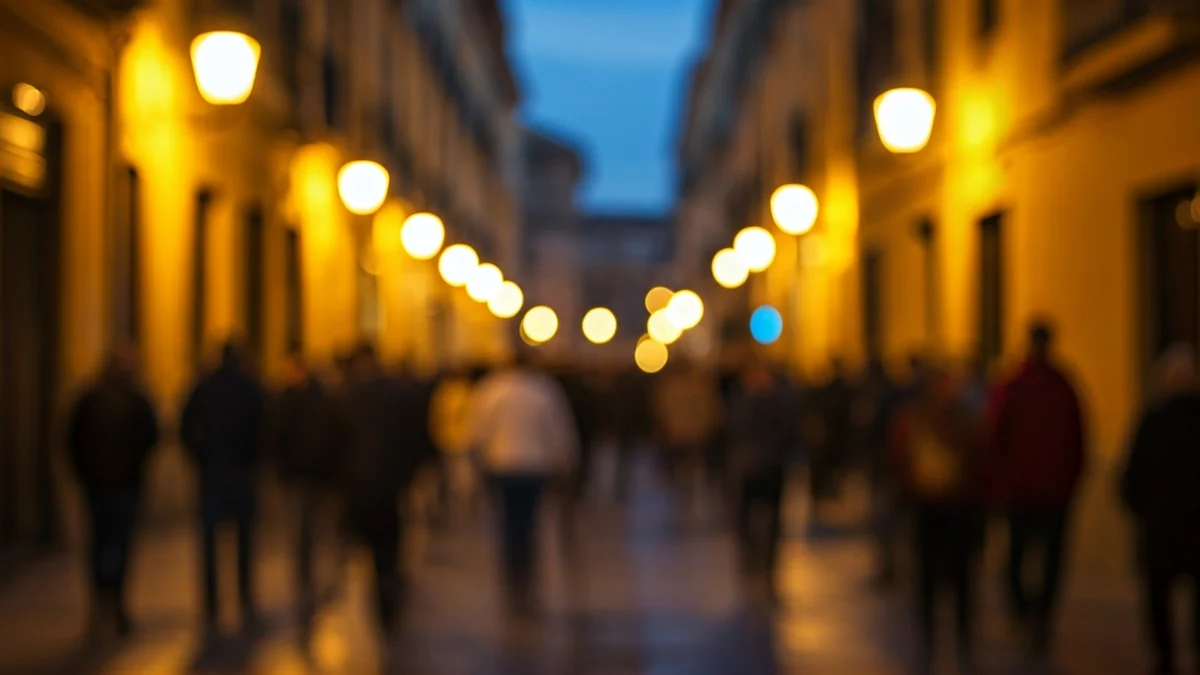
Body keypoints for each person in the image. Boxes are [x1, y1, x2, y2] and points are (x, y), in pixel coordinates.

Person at [989, 320, 1086, 654]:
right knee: (1048, 560)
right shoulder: (1062, 385)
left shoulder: (1014, 385)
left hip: (1025, 492)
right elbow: (1078, 440)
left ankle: (1027, 614)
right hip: (1050, 492)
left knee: (1018, 557)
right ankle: (1039, 616)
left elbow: (995, 435)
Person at [889, 366, 986, 672]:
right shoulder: (965, 421)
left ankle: (944, 637)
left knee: (947, 579)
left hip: (944, 510)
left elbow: (897, 461)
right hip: (943, 510)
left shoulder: (916, 419)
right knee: (948, 579)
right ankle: (949, 637)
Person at [468, 352, 578, 615]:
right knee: (528, 525)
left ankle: (512, 576)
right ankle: (525, 577)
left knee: (507, 524)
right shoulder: (544, 390)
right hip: (534, 466)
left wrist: (478, 461)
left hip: (501, 464)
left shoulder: (491, 390)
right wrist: (565, 460)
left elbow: (477, 430)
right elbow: (559, 429)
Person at [67, 347, 159, 639]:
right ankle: (113, 604)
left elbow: (71, 440)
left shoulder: (91, 398)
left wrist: (85, 474)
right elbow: (150, 438)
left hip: (102, 486)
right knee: (117, 545)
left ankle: (103, 604)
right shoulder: (133, 399)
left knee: (100, 544)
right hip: (120, 486)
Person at [340, 344, 429, 636]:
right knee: (388, 547)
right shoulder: (398, 397)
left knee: (363, 545)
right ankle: (386, 590)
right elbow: (416, 439)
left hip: (360, 486)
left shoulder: (347, 397)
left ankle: (377, 592)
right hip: (388, 486)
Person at [1121, 345, 1200, 675]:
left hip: (1160, 529)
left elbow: (1130, 478)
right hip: (1195, 528)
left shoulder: (1152, 421)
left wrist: (1142, 511)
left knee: (1158, 598)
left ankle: (1165, 658)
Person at [181, 342, 266, 634]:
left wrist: (201, 456)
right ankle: (244, 596)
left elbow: (186, 427)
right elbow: (263, 428)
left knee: (209, 542)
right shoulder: (249, 387)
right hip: (240, 473)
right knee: (243, 540)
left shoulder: (205, 387)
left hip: (213, 473)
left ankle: (211, 602)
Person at [269, 351, 344, 645]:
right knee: (308, 529)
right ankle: (311, 576)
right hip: (308, 476)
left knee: (309, 528)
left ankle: (311, 575)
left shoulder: (297, 400)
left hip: (309, 476)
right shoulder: (312, 399)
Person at [727, 356, 796, 601]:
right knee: (747, 517)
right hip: (750, 467)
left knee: (771, 519)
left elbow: (788, 430)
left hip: (771, 466)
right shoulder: (744, 401)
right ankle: (753, 557)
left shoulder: (777, 401)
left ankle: (767, 563)